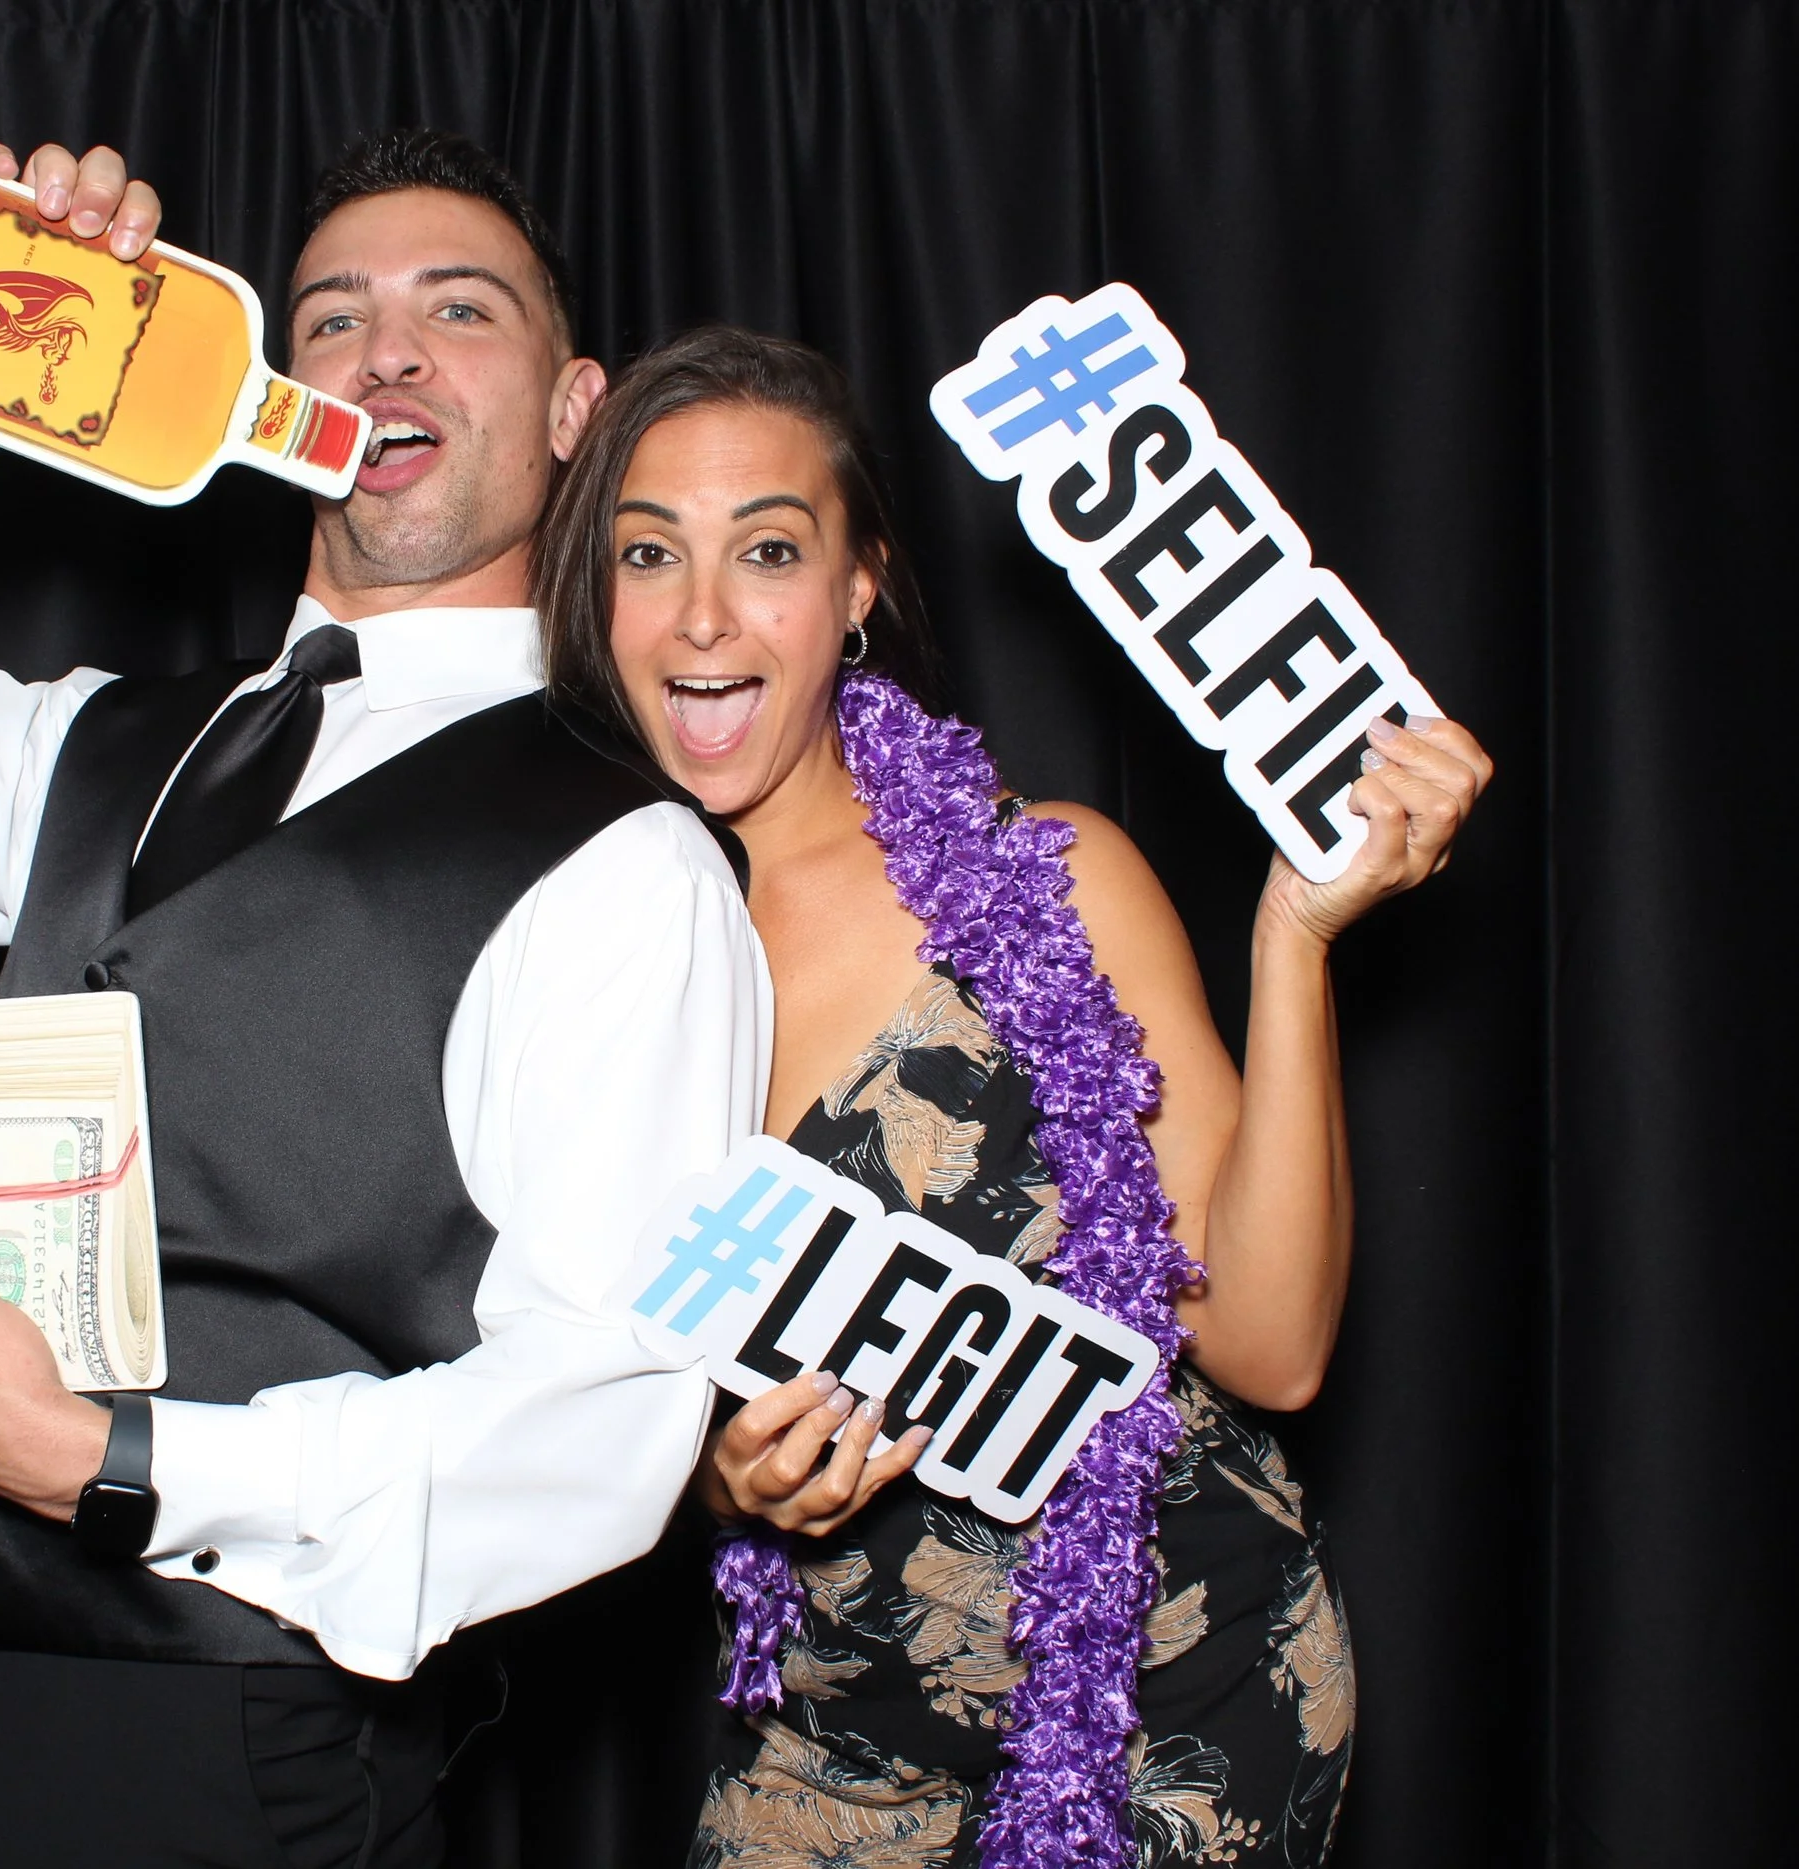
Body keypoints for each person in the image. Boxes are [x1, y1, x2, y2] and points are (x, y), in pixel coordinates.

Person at [0, 132, 768, 1867]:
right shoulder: (95, 742)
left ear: (571, 407)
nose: (387, 353)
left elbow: (600, 1421)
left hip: (217, 1722)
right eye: (331, 319)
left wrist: (115, 1460)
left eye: (459, 311)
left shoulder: (631, 866)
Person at [530, 327, 1492, 1867]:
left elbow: (1273, 1341)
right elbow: (517, 1393)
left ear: (856, 591)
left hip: (1183, 1708)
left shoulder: (1045, 886)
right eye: (650, 554)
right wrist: (709, 1484)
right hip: (825, 1753)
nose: (704, 617)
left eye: (768, 549)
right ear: (595, 597)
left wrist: (1292, 940)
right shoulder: (536, 956)